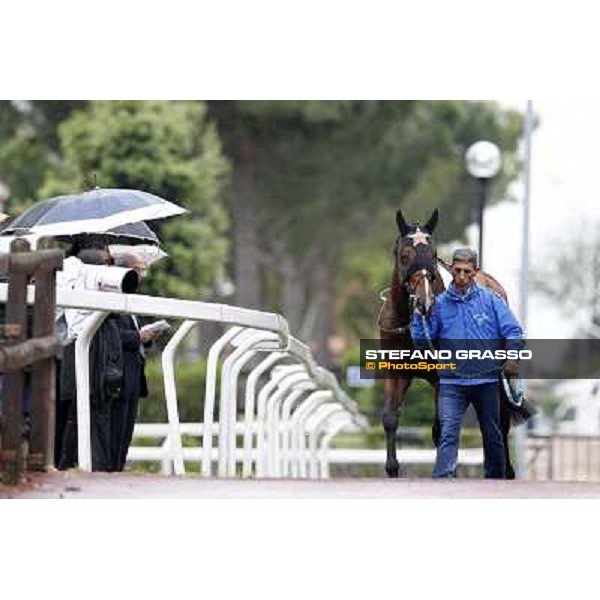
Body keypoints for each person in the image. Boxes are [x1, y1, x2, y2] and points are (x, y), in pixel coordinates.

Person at [411, 247, 523, 479]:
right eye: (458, 270)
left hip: (487, 382)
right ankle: (443, 482)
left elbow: (513, 331)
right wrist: (418, 317)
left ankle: (496, 484)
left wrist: (511, 357)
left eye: (467, 271)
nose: (461, 276)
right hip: (452, 384)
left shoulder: (491, 301)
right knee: (448, 434)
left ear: (476, 272)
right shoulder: (440, 304)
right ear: (451, 269)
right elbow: (424, 343)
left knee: (493, 436)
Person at [57, 245, 125, 471]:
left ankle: (89, 466)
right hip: (83, 362)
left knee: (91, 419)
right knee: (76, 419)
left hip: (99, 368)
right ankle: (79, 466)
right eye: (105, 266)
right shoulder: (72, 289)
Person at [110, 251, 156, 471]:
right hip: (117, 377)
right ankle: (110, 472)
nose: (142, 276)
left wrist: (146, 338)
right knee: (115, 430)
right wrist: (138, 337)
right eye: (139, 270)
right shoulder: (110, 296)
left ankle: (118, 468)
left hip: (134, 378)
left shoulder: (133, 300)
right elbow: (110, 335)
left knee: (126, 432)